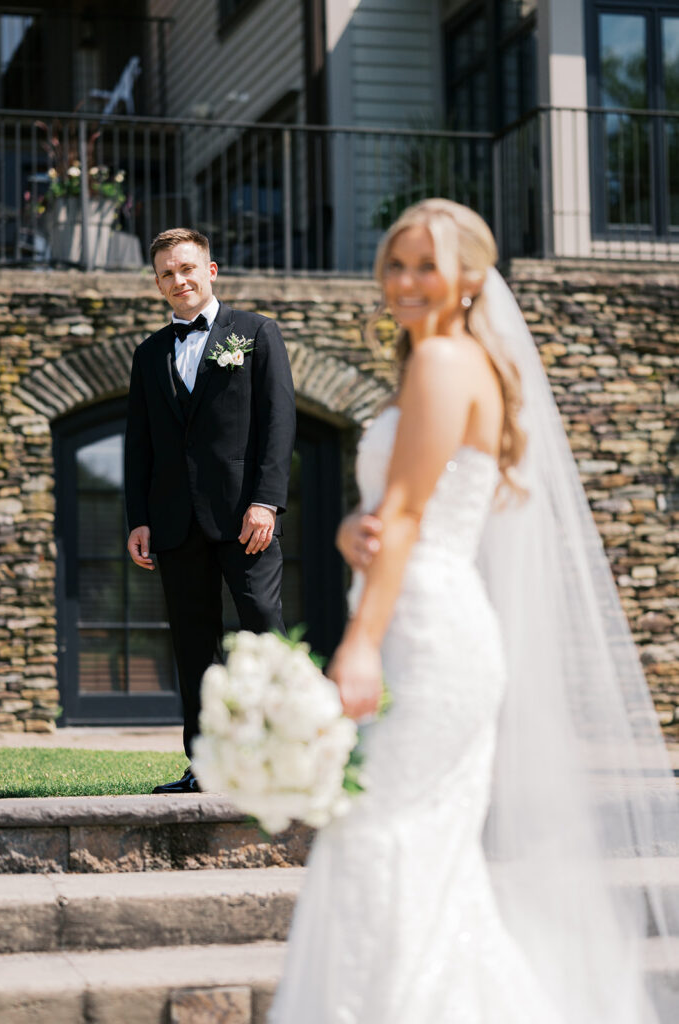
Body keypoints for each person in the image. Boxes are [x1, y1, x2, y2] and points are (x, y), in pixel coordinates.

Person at [269, 200, 678, 1022]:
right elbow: (399, 511)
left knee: (376, 840)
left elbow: (408, 519)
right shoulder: (452, 362)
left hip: (425, 638)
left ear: (468, 277)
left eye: (426, 265)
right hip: (437, 623)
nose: (405, 281)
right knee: (421, 858)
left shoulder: (442, 361)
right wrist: (351, 529)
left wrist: (360, 644)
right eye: (395, 263)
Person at [124, 228, 295, 793]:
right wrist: (138, 518)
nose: (180, 280)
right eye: (167, 273)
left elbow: (278, 423)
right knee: (193, 646)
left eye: (188, 268)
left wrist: (266, 501)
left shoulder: (256, 334)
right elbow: (140, 444)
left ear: (211, 269)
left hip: (245, 518)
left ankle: (285, 756)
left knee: (264, 631)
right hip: (174, 523)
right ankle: (204, 767)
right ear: (157, 284)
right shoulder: (148, 354)